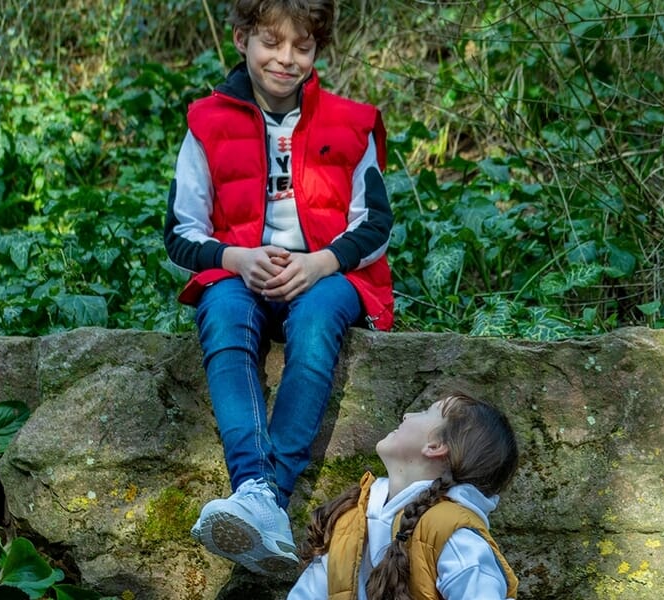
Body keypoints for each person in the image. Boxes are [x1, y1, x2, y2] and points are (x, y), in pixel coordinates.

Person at [163, 0, 394, 577]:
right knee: (223, 317)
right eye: (272, 42)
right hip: (240, 270)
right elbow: (179, 233)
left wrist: (320, 264)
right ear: (241, 39)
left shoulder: (352, 121)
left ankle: (267, 497)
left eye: (303, 47)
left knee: (316, 326)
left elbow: (375, 225)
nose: (286, 59)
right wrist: (233, 257)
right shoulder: (206, 121)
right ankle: (255, 488)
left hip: (327, 276)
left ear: (317, 50)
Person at [288, 392, 520, 600]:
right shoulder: (352, 518)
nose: (408, 414)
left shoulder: (452, 532)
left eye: (426, 411)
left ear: (436, 446)